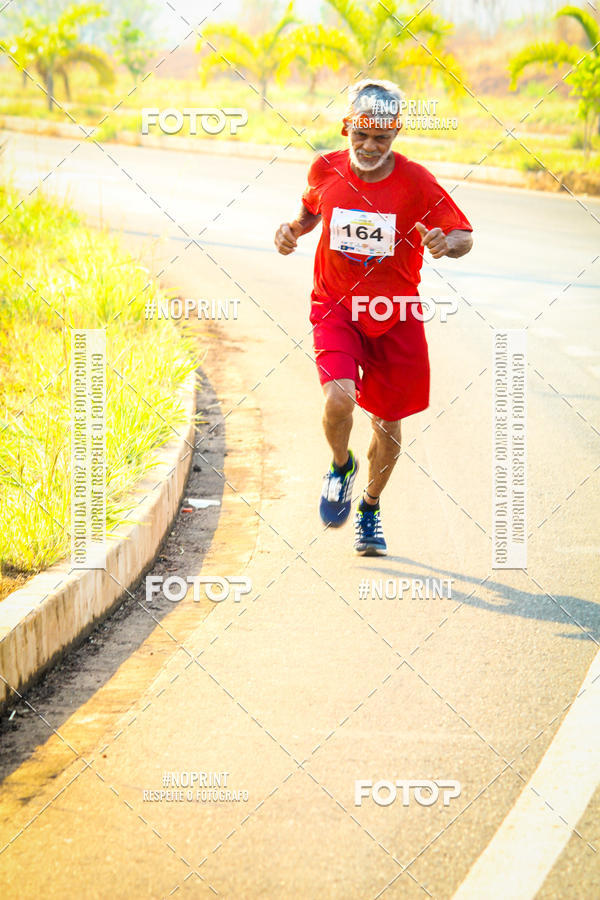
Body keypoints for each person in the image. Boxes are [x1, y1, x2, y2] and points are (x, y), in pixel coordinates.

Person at [274, 79, 473, 556]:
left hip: (394, 314)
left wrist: (447, 244)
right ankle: (341, 466)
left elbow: (463, 234)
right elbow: (311, 208)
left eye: (380, 138)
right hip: (335, 305)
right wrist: (293, 230)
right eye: (360, 135)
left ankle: (369, 507)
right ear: (347, 126)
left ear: (396, 133)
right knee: (339, 399)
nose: (368, 146)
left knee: (387, 425)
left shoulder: (417, 182)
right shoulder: (325, 168)